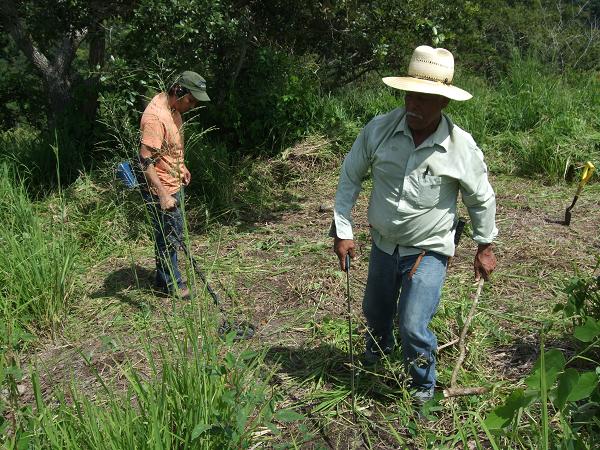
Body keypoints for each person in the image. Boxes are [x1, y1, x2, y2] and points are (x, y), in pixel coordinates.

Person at [330, 46, 498, 403]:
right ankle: (379, 353)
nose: (414, 106)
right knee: (375, 311)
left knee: (412, 324)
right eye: (410, 95)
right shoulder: (379, 130)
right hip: (383, 244)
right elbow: (350, 178)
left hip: (429, 249)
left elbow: (480, 197)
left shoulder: (460, 147)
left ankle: (423, 387)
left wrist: (484, 246)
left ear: (444, 103)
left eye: (425, 99)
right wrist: (343, 230)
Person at [138, 71, 210, 299]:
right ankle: (173, 284)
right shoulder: (155, 118)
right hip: (162, 187)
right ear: (178, 90)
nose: (193, 105)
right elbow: (144, 160)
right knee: (171, 236)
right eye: (191, 100)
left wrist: (182, 166)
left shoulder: (174, 108)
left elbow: (170, 148)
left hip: (173, 179)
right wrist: (162, 195)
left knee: (168, 233)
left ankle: (163, 278)